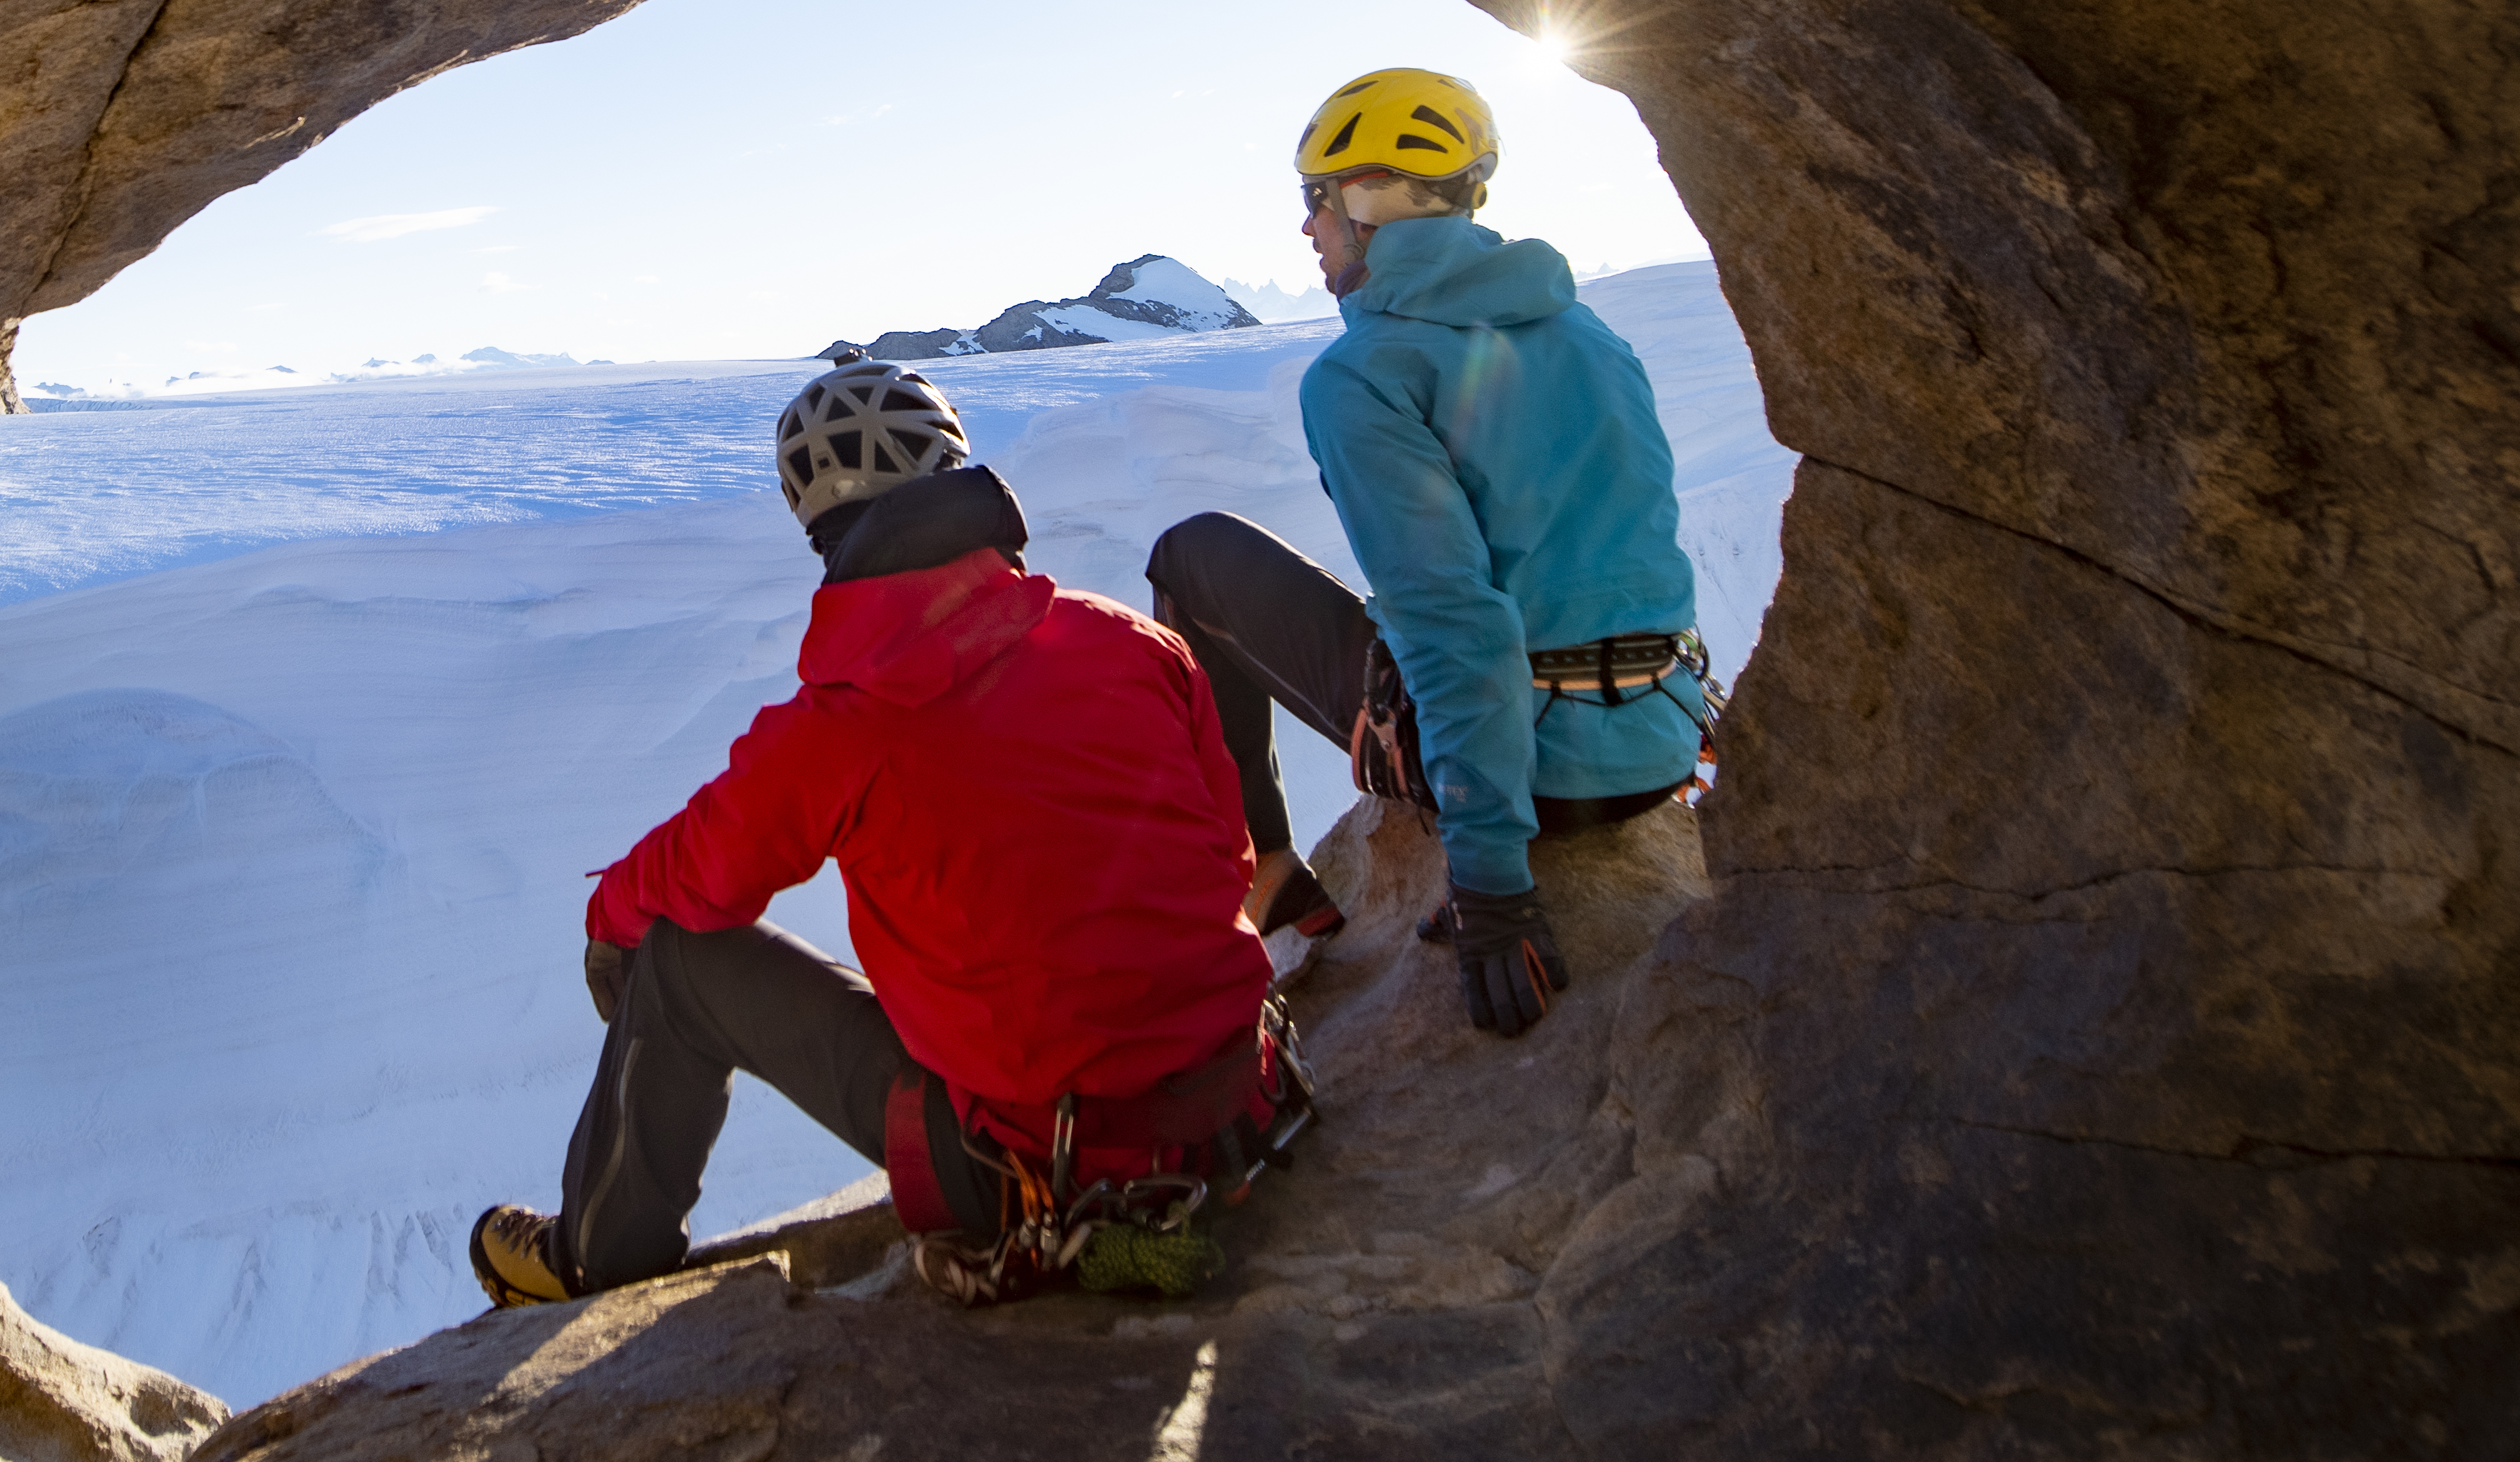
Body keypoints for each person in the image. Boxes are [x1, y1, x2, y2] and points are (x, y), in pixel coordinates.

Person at [470, 361, 1291, 1309]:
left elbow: (703, 872)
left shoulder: (841, 726)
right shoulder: (1134, 646)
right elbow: (1226, 860)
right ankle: (1137, 1227)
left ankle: (592, 1260)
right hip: (1233, 1110)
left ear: (821, 532)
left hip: (1028, 1170)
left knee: (677, 962)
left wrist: (608, 917)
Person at [1145, 66, 1713, 1039]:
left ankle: (1270, 880)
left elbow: (1454, 618)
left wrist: (1492, 881)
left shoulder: (1363, 375)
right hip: (1654, 745)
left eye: (1315, 201)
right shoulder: (1590, 335)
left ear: (1367, 205)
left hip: (1542, 782)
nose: (1307, 230)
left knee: (1190, 559)